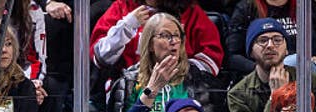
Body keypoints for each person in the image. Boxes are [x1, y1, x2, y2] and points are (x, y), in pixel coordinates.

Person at [107, 14, 220, 112]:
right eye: (165, 36)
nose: (174, 41)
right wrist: (152, 89)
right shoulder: (129, 81)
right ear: (150, 44)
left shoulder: (198, 79)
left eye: (177, 36)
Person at [226, 18, 316, 112]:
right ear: (251, 51)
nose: (270, 45)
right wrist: (275, 96)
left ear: (286, 50)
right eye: (263, 40)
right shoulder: (237, 94)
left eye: (277, 40)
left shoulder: (311, 82)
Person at [91, 0, 223, 77]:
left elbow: (212, 59)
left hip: (179, 94)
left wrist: (177, 72)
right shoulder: (122, 7)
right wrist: (127, 26)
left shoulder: (191, 12)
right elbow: (100, 57)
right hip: (129, 92)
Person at [224, 0, 316, 79]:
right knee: (294, 61)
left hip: (309, 76)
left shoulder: (311, 7)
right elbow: (232, 56)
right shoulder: (247, 9)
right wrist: (261, 70)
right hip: (263, 78)